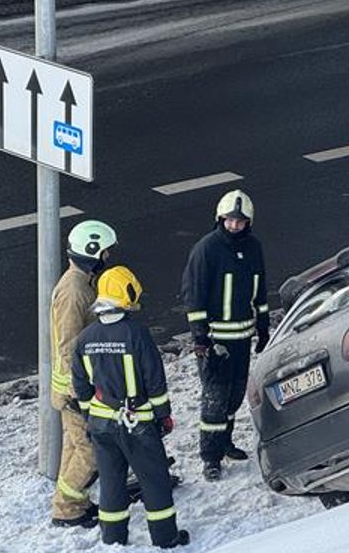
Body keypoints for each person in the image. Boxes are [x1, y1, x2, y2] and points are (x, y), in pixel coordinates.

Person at [71, 266, 189, 549]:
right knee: (155, 480)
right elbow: (154, 380)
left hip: (101, 423)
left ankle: (113, 537)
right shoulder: (136, 333)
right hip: (137, 423)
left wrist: (89, 417)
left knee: (112, 483)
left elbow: (81, 386)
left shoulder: (84, 338)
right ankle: (166, 538)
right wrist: (163, 416)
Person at [181, 189, 275, 482]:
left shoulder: (254, 248)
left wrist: (262, 327)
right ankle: (210, 457)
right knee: (215, 400)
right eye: (230, 220)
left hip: (242, 339)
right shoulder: (206, 250)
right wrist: (200, 337)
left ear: (249, 222)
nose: (234, 225)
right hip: (215, 341)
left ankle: (225, 443)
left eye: (240, 221)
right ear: (220, 218)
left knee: (234, 396)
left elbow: (260, 290)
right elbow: (193, 295)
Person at [50, 219, 117, 528]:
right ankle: (68, 507)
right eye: (104, 252)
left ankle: (69, 506)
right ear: (91, 252)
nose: (107, 257)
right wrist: (80, 392)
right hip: (74, 391)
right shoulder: (75, 291)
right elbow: (68, 345)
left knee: (74, 449)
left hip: (71, 389)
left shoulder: (81, 283)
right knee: (89, 452)